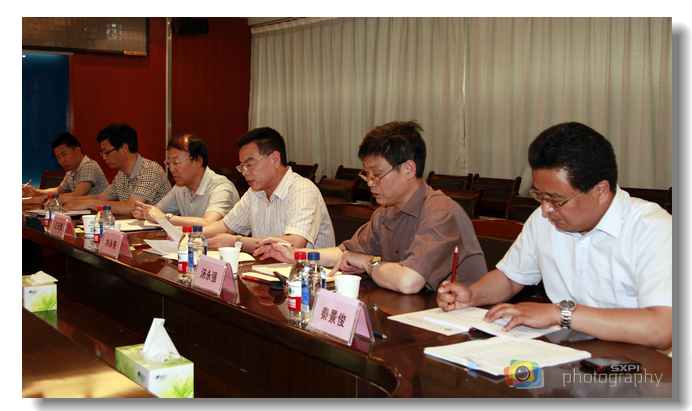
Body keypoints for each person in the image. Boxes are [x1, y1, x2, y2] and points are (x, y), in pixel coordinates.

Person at [436, 122, 672, 349]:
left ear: (600, 190)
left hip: (637, 363)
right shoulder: (544, 220)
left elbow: (662, 328)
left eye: (556, 200)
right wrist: (472, 295)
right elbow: (510, 278)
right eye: (539, 196)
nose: (546, 208)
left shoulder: (655, 230)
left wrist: (560, 313)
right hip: (566, 353)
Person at [258, 121, 487, 295]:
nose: (369, 183)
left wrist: (368, 263)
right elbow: (345, 253)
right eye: (366, 174)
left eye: (376, 174)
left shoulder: (440, 212)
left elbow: (409, 281)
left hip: (458, 321)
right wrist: (296, 255)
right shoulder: (386, 212)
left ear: (409, 169)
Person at [202, 127, 335, 253]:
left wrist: (237, 242)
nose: (244, 172)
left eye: (250, 164)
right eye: (242, 166)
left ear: (275, 159)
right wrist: (193, 234)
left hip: (306, 270)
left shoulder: (303, 190)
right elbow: (225, 226)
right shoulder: (254, 193)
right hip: (268, 267)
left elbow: (295, 243)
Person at [63, 123, 172, 216]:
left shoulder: (150, 170)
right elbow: (101, 197)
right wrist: (65, 201)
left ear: (124, 148)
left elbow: (131, 207)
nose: (104, 157)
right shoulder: (122, 174)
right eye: (102, 153)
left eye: (106, 152)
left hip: (161, 229)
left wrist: (89, 203)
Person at [131, 133, 240, 226]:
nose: (172, 169)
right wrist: (144, 212)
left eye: (176, 162)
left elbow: (209, 223)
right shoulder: (180, 188)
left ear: (198, 161)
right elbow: (157, 212)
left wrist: (164, 218)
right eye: (169, 163)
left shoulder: (221, 187)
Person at [22, 132, 108, 203]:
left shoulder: (89, 165)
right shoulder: (71, 170)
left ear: (77, 150)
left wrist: (38, 199)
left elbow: (78, 195)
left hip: (99, 214)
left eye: (64, 154)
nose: (61, 160)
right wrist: (36, 192)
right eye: (58, 157)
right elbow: (59, 190)